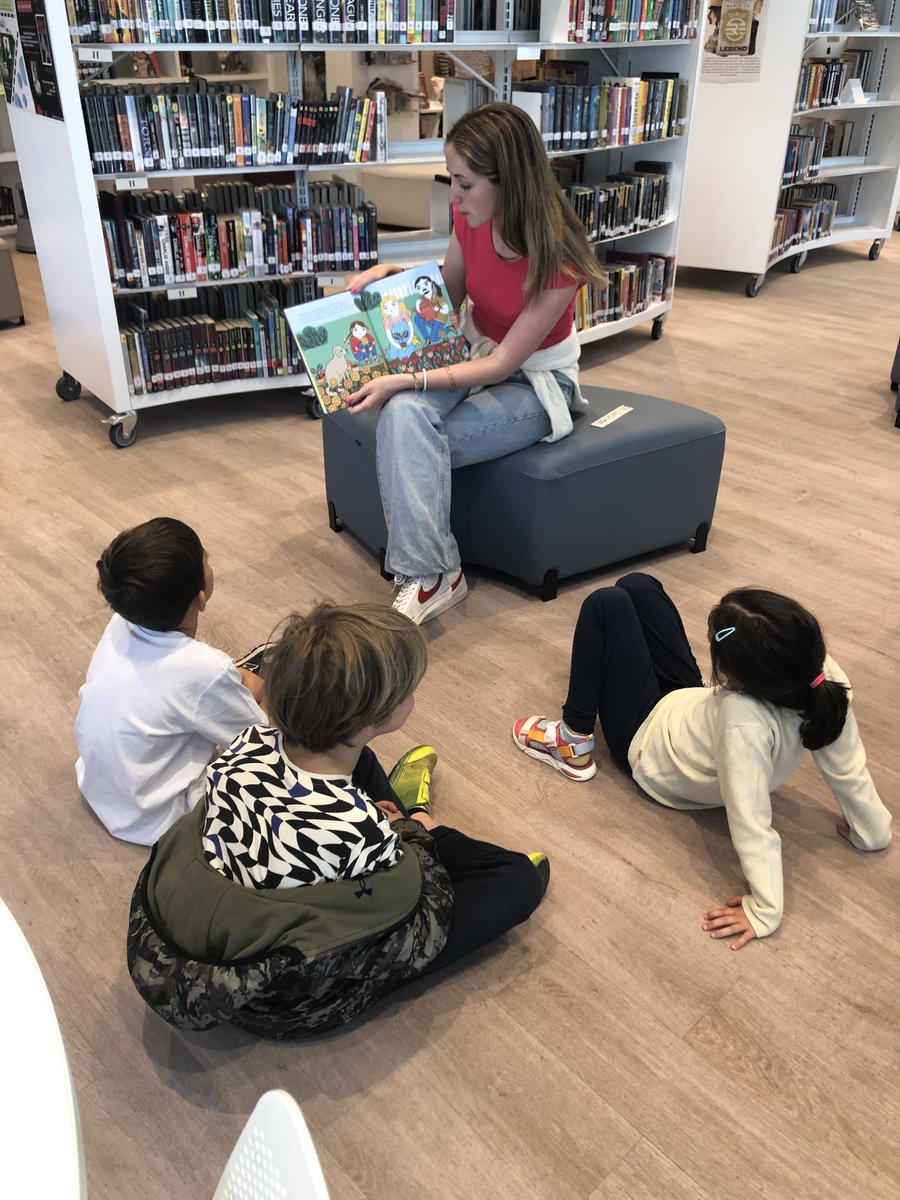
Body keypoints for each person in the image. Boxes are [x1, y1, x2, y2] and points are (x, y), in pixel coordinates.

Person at [127, 602, 549, 1038]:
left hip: (247, 904)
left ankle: (411, 815)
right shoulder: (359, 828)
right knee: (516, 880)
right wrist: (409, 833)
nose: (412, 697)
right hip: (288, 995)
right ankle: (423, 818)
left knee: (355, 763)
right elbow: (419, 914)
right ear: (371, 720)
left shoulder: (247, 743)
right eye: (408, 692)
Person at [513, 573, 891, 949]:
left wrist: (764, 910)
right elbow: (848, 765)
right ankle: (588, 723)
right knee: (638, 585)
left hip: (648, 746)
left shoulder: (742, 721)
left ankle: (572, 741)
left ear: (738, 681)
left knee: (605, 604)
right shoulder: (824, 675)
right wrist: (871, 831)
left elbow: (751, 817)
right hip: (687, 707)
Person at [345, 102, 606, 625]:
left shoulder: (560, 254)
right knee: (403, 415)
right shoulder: (470, 222)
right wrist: (396, 280)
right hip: (470, 349)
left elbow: (506, 361)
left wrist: (410, 377)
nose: (453, 197)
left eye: (464, 183)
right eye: (452, 181)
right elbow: (447, 295)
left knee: (409, 422)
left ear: (508, 180)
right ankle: (436, 572)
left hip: (536, 380)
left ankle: (427, 574)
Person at [74, 517, 268, 846]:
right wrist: (256, 688)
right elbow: (257, 741)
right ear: (200, 598)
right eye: (206, 557)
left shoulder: (121, 622)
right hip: (162, 819)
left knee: (230, 681)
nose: (209, 559)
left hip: (101, 788)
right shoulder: (204, 668)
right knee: (261, 686)